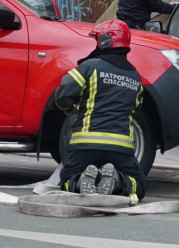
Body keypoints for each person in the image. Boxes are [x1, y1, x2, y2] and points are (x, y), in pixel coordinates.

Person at [53, 19, 147, 199]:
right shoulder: (136, 78)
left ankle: (80, 181)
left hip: (85, 145)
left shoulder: (90, 67)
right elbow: (136, 109)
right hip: (120, 149)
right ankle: (117, 181)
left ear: (105, 41)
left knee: (66, 179)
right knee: (138, 186)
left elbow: (62, 93)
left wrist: (71, 107)